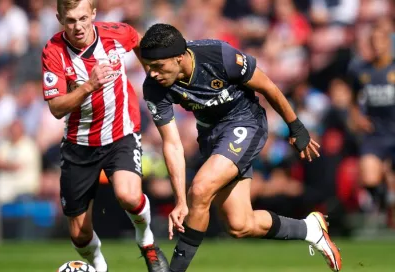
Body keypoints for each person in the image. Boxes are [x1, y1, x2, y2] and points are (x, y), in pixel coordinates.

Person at [140, 23, 342, 272]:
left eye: (158, 67)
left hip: (245, 122)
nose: (153, 74)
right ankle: (310, 228)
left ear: (179, 57)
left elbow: (268, 86)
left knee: (201, 189)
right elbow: (171, 144)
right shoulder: (154, 88)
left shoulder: (220, 56)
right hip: (211, 134)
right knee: (239, 224)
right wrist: (180, 200)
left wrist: (296, 127)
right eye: (149, 67)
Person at [41, 1, 169, 271]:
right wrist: (89, 85)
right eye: (71, 20)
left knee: (129, 196)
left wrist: (152, 73)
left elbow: (138, 41)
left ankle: (147, 244)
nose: (78, 26)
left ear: (94, 15)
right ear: (59, 19)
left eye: (83, 18)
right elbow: (56, 108)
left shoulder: (115, 33)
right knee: (79, 234)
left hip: (120, 131)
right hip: (80, 144)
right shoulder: (53, 51)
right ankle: (100, 267)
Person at [348, 18, 395, 221]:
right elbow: (352, 99)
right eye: (373, 42)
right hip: (375, 133)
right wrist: (357, 117)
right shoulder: (361, 71)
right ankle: (386, 204)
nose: (377, 46)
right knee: (368, 177)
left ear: (388, 43)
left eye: (380, 41)